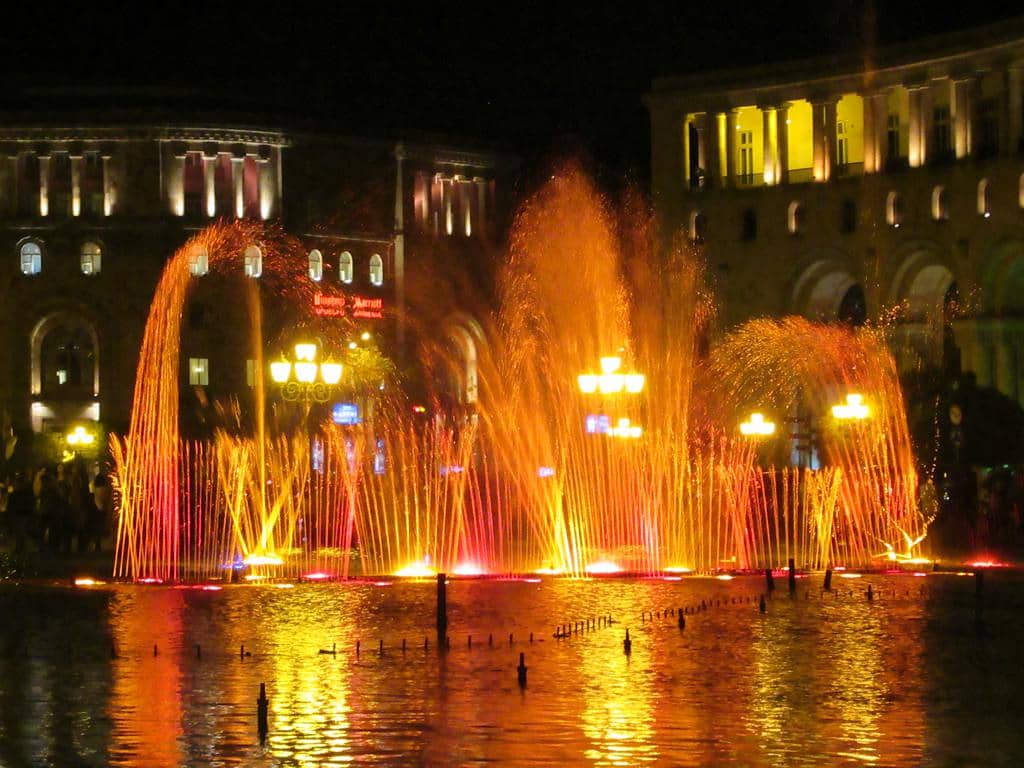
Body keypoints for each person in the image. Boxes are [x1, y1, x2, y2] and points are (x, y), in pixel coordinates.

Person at [90, 473, 113, 552]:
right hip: (102, 509)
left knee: (96, 527)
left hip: (96, 508)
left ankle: (96, 544)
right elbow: (106, 499)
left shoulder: (95, 488)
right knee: (100, 526)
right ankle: (98, 544)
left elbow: (94, 496)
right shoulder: (105, 489)